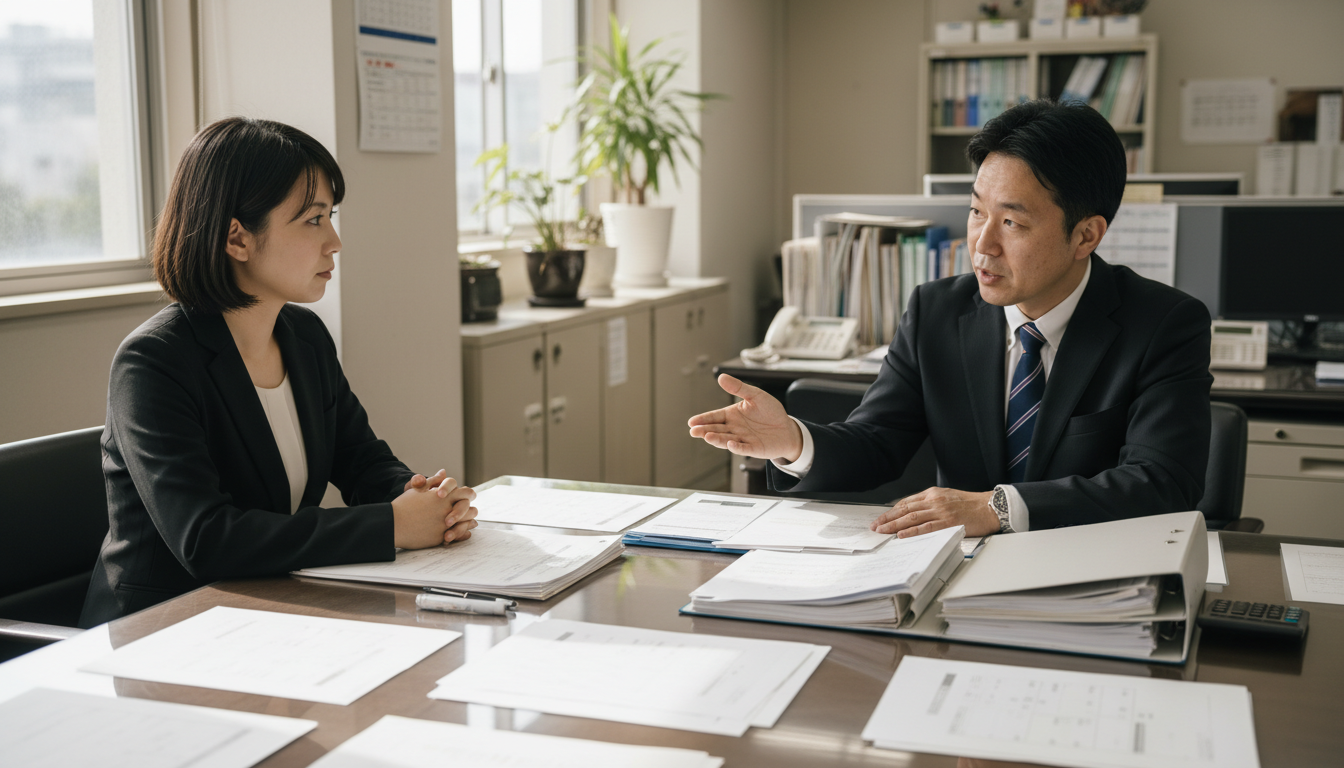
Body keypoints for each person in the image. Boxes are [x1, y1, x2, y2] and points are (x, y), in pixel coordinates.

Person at [689, 99, 1212, 541]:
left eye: (1012, 222)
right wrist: (792, 441)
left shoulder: (1163, 325)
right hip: (955, 573)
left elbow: (1161, 482)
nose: (982, 244)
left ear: (1085, 235)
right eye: (977, 212)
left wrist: (997, 508)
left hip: (1091, 574)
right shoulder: (936, 311)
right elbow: (877, 441)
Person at [81, 118, 478, 626]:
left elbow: (361, 460)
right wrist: (391, 526)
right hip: (160, 629)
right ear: (237, 238)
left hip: (263, 609)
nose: (334, 241)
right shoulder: (152, 363)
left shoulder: (304, 337)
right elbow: (207, 539)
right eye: (313, 220)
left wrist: (424, 500)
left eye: (330, 216)